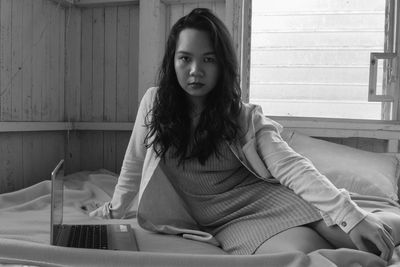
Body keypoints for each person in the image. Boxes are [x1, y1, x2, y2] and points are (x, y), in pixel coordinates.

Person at [90, 7, 400, 261]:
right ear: (173, 62)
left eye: (208, 59)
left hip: (270, 199)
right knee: (298, 256)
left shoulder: (241, 115)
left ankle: (376, 217)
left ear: (222, 64)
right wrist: (114, 210)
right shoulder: (154, 103)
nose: (195, 70)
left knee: (367, 236)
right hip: (226, 221)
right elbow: (133, 163)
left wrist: (351, 214)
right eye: (185, 58)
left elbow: (290, 165)